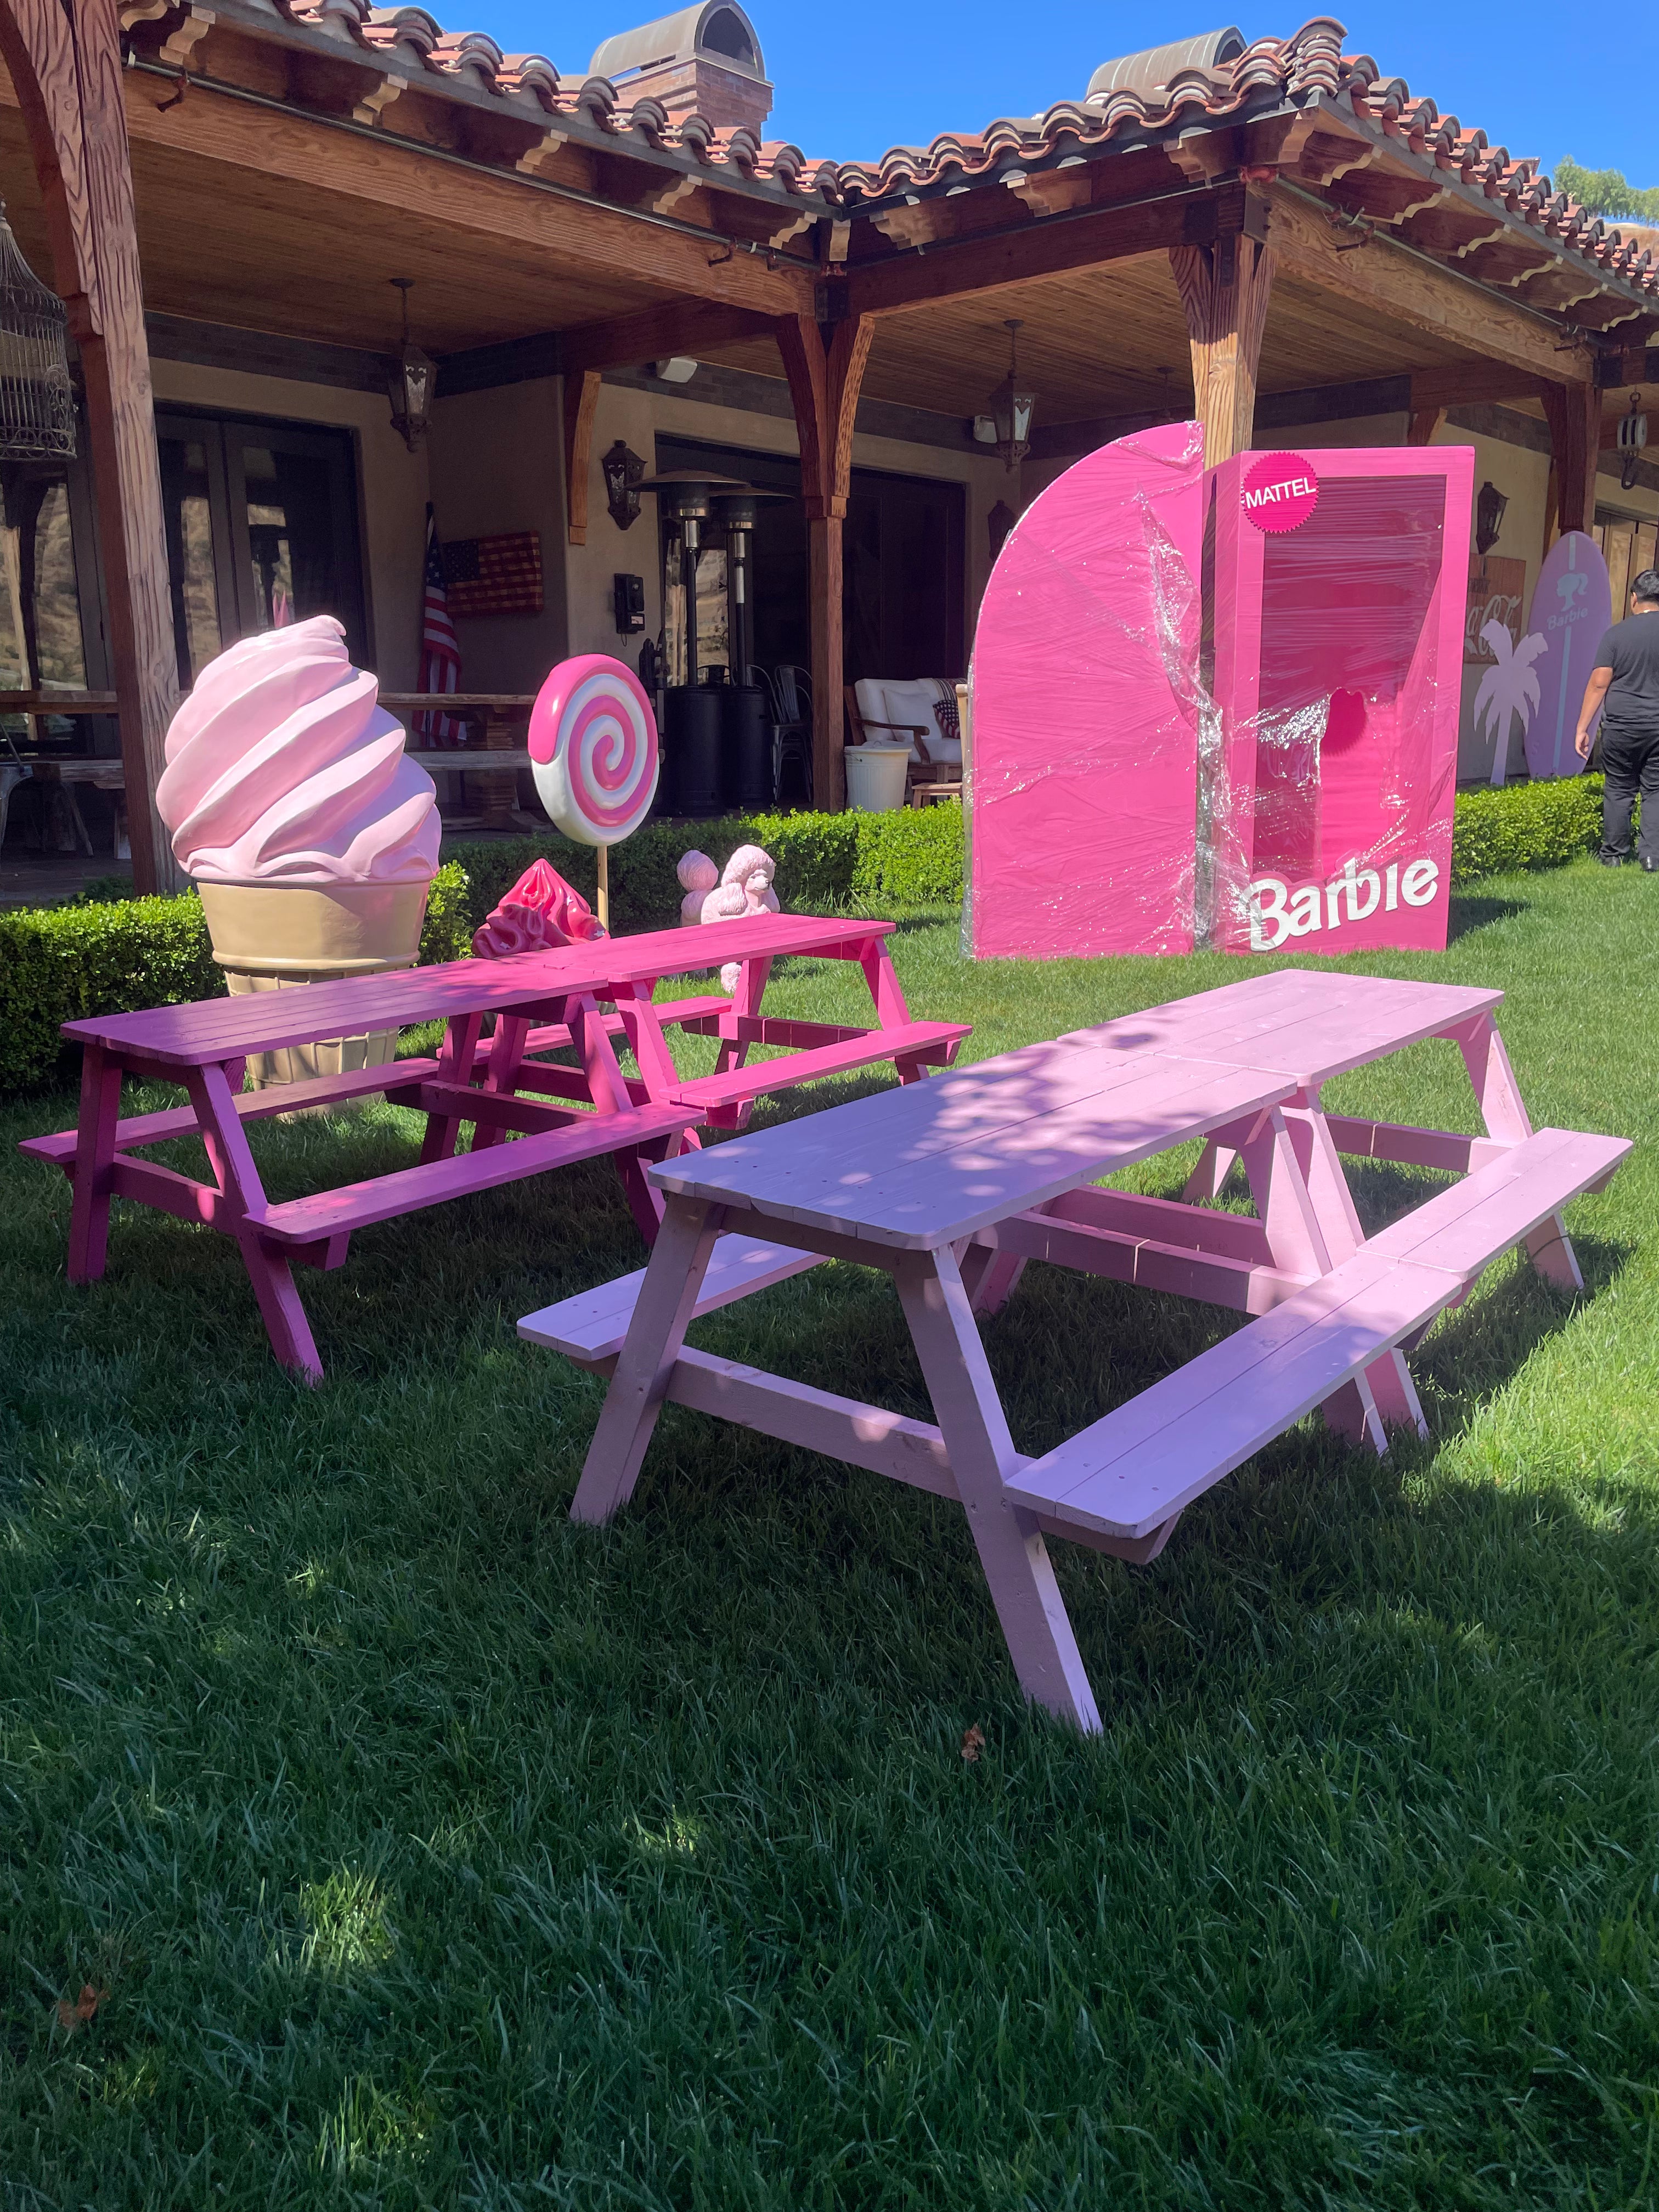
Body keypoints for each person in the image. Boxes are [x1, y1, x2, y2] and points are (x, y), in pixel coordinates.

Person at [1576, 566, 1659, 870]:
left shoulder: (1615, 635)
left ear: (1634, 599)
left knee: (1619, 788)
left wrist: (1582, 728)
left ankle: (1613, 855)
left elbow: (1599, 683)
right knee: (1655, 790)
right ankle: (1651, 857)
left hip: (1621, 727)